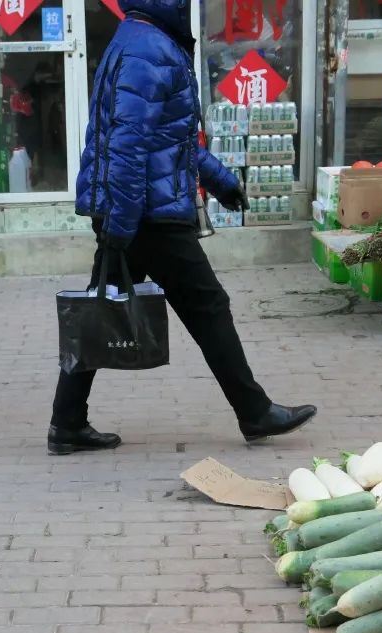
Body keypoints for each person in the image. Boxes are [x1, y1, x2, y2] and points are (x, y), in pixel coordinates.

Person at [47, 0, 316, 456]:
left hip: (134, 210)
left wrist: (221, 180)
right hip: (147, 214)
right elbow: (128, 143)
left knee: (98, 309)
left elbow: (172, 139)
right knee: (208, 306)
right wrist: (125, 223)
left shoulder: (143, 41)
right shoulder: (148, 48)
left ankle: (67, 423)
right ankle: (254, 411)